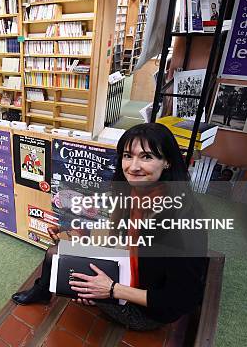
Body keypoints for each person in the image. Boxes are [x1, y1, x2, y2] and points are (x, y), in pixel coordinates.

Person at [11, 123, 208, 331]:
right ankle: (43, 290)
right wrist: (77, 231)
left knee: (70, 275)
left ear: (167, 161)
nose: (133, 166)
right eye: (127, 156)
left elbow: (183, 299)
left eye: (147, 157)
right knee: (55, 251)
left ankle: (54, 290)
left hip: (146, 310)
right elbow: (115, 233)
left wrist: (111, 289)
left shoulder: (183, 222)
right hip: (131, 268)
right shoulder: (134, 192)